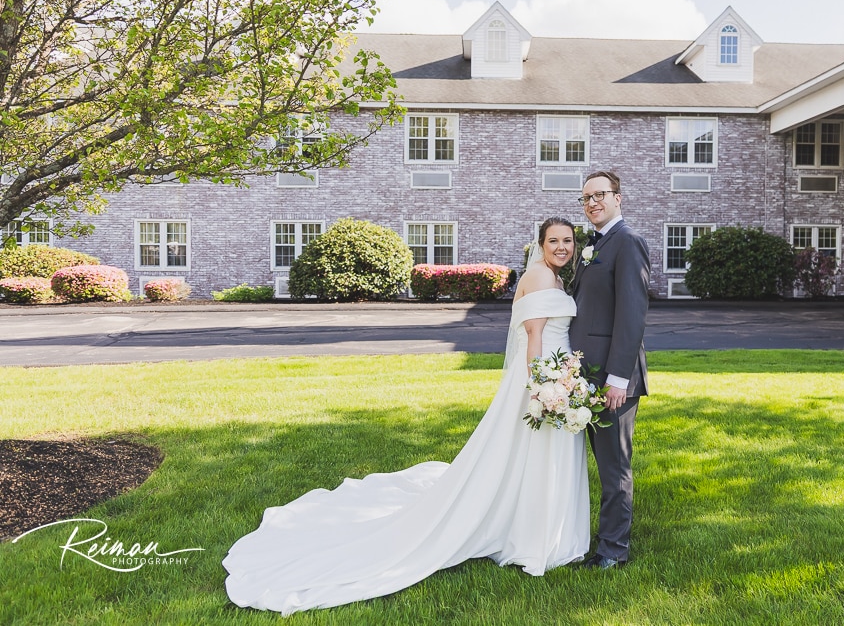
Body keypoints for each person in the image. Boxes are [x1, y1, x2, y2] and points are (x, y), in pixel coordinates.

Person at [223, 217, 589, 615]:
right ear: (541, 243)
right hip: (541, 381)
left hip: (558, 377)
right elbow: (533, 337)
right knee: (531, 455)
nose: (561, 247)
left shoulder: (554, 278)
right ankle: (534, 536)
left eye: (567, 240)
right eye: (553, 240)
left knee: (534, 457)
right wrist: (542, 388)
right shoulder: (538, 276)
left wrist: (562, 380)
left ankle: (538, 528)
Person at [569, 170, 651, 570]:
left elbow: (632, 316)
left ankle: (613, 551)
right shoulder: (594, 245)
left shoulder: (629, 243)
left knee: (614, 466)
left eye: (600, 195)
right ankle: (593, 540)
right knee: (597, 463)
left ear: (619, 198)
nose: (592, 203)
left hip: (613, 379)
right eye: (585, 198)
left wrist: (618, 379)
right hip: (586, 375)